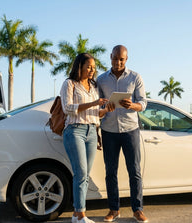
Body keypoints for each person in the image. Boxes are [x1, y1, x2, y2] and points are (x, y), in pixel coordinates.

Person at [60, 53, 114, 223]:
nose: (92, 70)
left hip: (92, 131)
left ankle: (77, 215)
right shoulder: (69, 84)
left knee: (85, 174)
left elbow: (96, 113)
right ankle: (81, 214)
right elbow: (68, 108)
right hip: (74, 130)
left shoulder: (93, 86)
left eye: (93, 67)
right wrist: (94, 103)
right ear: (79, 66)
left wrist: (107, 109)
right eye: (88, 66)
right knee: (81, 173)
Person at [97, 45, 148, 223]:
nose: (118, 62)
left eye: (121, 59)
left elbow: (143, 104)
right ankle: (114, 209)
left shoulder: (135, 77)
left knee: (134, 171)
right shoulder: (101, 79)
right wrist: (105, 107)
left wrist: (131, 105)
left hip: (130, 130)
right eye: (115, 58)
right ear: (110, 57)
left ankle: (137, 209)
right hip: (109, 130)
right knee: (110, 172)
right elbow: (97, 106)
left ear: (126, 59)